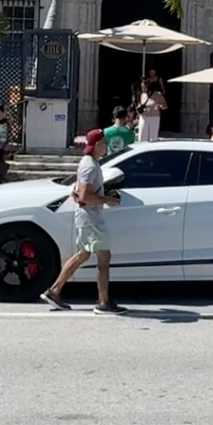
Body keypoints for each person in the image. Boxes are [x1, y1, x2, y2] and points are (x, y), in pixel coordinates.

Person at [40, 128, 124, 315]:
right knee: (104, 258)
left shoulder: (89, 162)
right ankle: (103, 302)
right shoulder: (90, 166)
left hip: (87, 217)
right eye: (104, 143)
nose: (106, 147)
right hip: (91, 218)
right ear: (98, 145)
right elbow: (84, 196)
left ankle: (54, 291)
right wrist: (107, 200)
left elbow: (80, 192)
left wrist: (101, 194)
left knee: (82, 254)